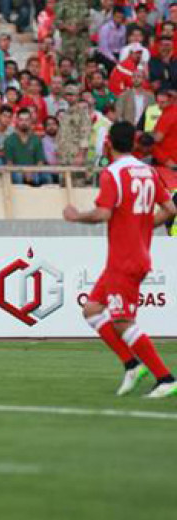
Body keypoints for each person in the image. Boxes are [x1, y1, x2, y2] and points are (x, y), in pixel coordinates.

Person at [63, 121, 177, 398]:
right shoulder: (148, 171)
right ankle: (131, 365)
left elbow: (103, 214)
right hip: (135, 253)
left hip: (124, 259)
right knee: (91, 309)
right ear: (134, 143)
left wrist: (77, 216)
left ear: (108, 143)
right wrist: (142, 226)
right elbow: (171, 208)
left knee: (122, 320)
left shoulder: (112, 174)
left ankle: (166, 378)